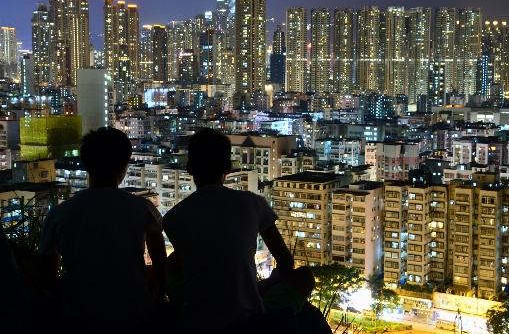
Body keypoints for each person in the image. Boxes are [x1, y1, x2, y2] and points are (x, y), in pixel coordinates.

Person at [163, 128, 314, 332]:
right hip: (249, 322)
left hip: (195, 322)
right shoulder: (253, 203)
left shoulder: (173, 218)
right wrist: (263, 287)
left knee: (172, 261)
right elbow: (286, 262)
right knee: (304, 276)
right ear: (228, 167)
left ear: (189, 168)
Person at [39, 127, 167, 333]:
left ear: (87, 165)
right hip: (134, 315)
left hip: (79, 318)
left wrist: (77, 295)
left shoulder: (59, 214)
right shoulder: (143, 208)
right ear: (124, 167)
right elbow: (161, 267)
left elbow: (47, 277)